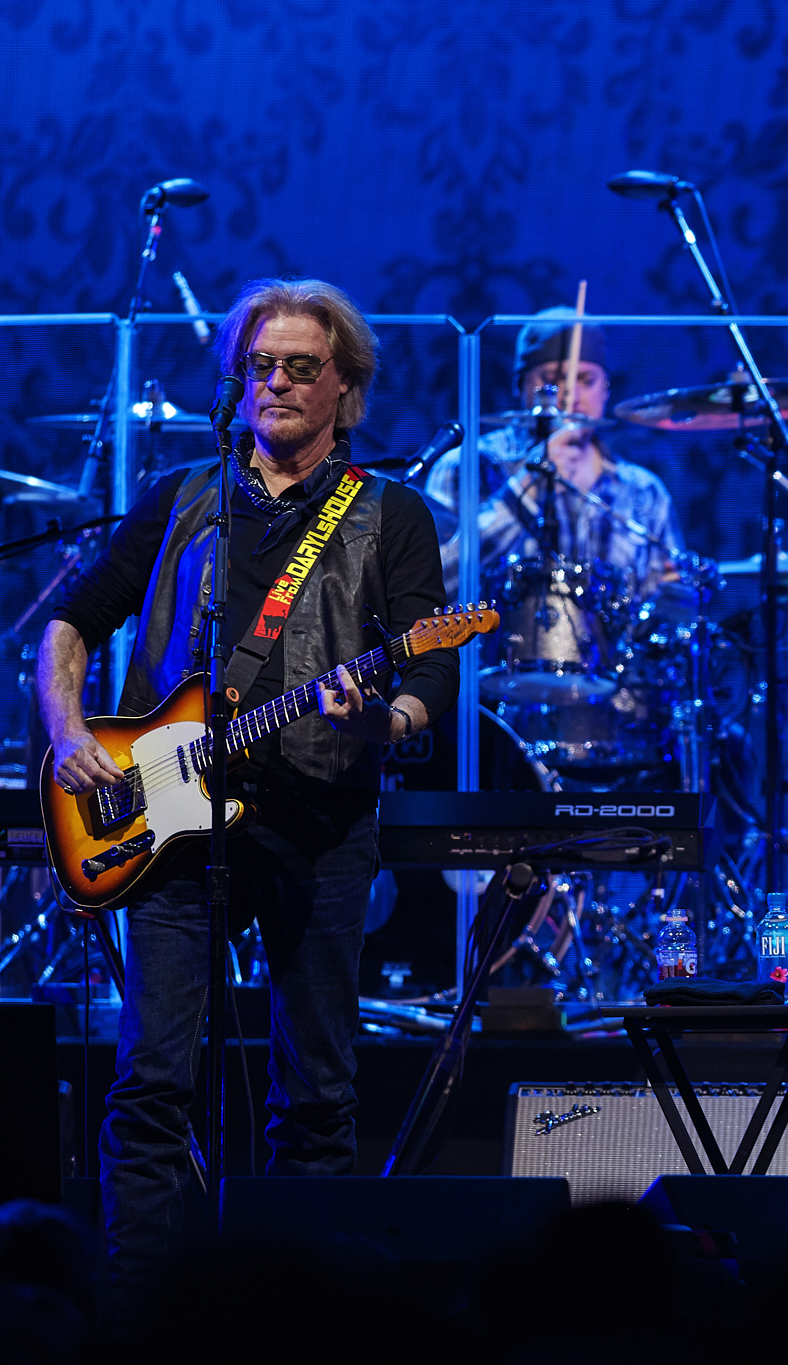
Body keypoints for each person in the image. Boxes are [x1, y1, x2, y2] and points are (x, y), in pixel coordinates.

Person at [38, 277, 456, 1319]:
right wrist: (69, 731)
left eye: (301, 367)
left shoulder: (389, 514)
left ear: (346, 392)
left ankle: (295, 1318)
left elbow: (426, 677)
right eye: (259, 365)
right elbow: (67, 624)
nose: (275, 381)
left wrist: (380, 722)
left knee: (315, 1092)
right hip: (166, 823)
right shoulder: (185, 498)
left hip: (321, 823)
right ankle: (140, 1315)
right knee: (149, 1085)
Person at [426, 307, 683, 600]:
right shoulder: (469, 467)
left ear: (606, 390)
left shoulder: (644, 491)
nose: (569, 396)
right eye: (552, 380)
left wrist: (675, 601)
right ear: (520, 384)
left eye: (585, 380)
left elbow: (663, 613)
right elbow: (434, 585)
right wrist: (527, 489)